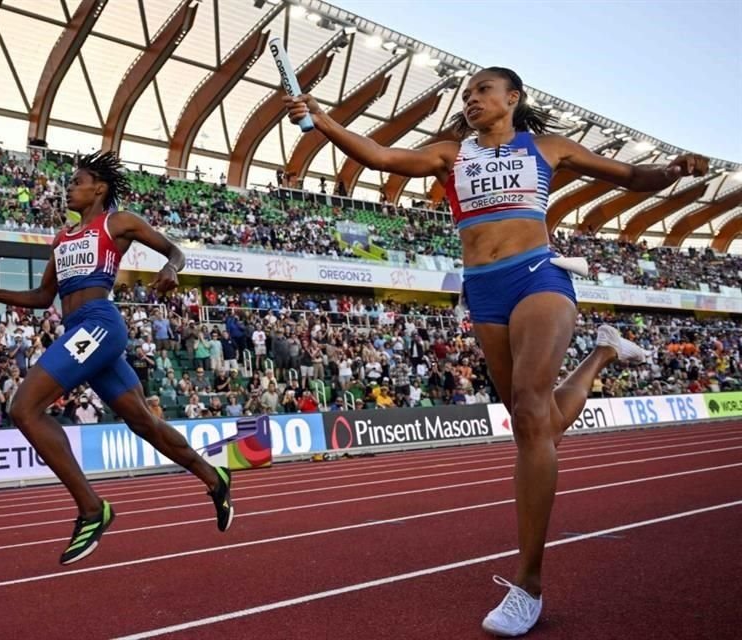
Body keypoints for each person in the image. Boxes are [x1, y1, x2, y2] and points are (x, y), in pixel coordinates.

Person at [284, 67, 708, 637]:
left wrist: (675, 171)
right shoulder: (450, 155)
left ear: (513, 98)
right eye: (467, 94)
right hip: (483, 290)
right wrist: (322, 120)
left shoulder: (547, 148)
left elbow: (632, 176)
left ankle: (528, 586)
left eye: (483, 91)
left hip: (538, 276)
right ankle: (604, 353)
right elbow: (379, 157)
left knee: (533, 416)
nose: (471, 100)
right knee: (533, 425)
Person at [0, 151, 233, 566]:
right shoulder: (62, 239)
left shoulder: (118, 222)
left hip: (100, 324)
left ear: (99, 188)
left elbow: (173, 250)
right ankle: (213, 475)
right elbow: (42, 298)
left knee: (24, 408)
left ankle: (92, 509)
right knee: (143, 421)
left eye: (76, 182)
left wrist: (172, 269)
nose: (68, 188)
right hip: (78, 331)